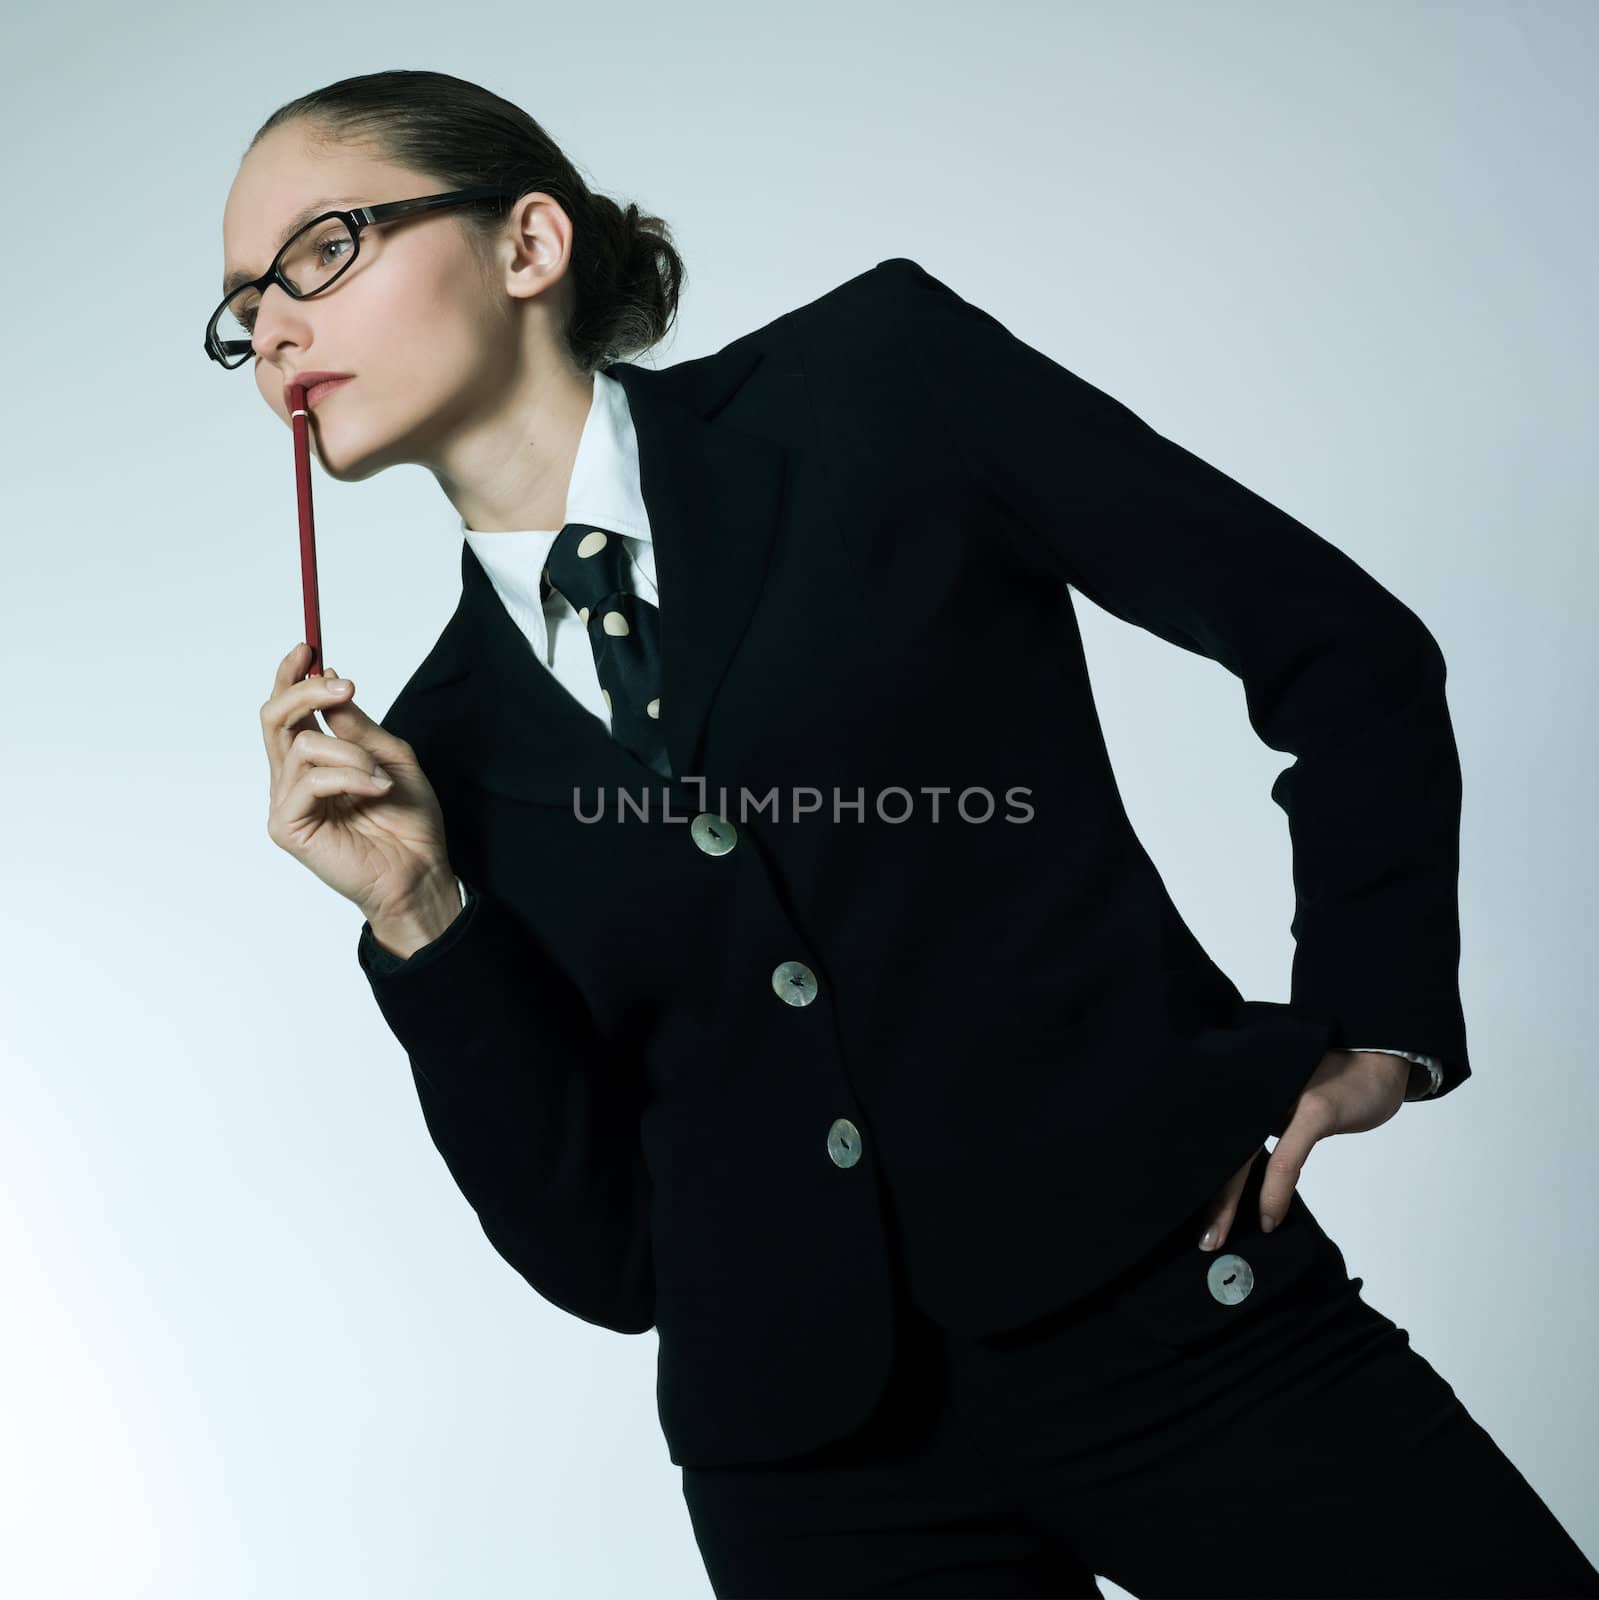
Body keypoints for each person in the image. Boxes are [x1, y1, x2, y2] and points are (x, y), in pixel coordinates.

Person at [231, 68, 1599, 1598]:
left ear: (528, 244)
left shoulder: (879, 385)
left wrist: (1380, 1014)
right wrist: (425, 923)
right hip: (814, 1486)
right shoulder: (435, 757)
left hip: (1173, 1319)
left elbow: (1343, 647)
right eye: (241, 308)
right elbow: (613, 1260)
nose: (273, 324)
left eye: (322, 249)